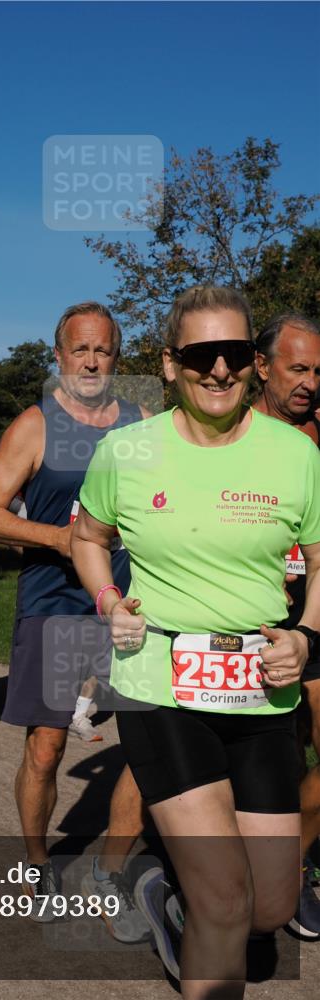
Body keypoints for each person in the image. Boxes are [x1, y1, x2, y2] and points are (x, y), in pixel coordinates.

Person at [71, 286, 320, 998]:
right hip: (161, 685)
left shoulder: (295, 455)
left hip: (263, 692)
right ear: (172, 363)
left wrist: (304, 637)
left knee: (267, 908)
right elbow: (87, 537)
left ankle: (158, 888)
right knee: (224, 901)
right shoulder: (128, 450)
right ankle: (198, 909)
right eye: (201, 355)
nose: (219, 371)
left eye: (234, 354)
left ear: (254, 364)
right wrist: (108, 598)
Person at [0, 301, 150, 939]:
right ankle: (39, 859)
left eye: (103, 351)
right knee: (46, 747)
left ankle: (113, 866)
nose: (92, 361)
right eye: (80, 350)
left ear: (116, 358)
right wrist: (59, 539)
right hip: (54, 602)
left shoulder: (141, 423)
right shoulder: (34, 424)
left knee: (148, 743)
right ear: (59, 357)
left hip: (129, 602)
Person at [254, 312, 320, 938]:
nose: (310, 382)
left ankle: (291, 871)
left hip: (313, 617)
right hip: (242, 620)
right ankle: (114, 870)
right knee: (175, 757)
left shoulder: (316, 435)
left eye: (318, 370)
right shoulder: (227, 430)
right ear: (262, 365)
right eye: (298, 368)